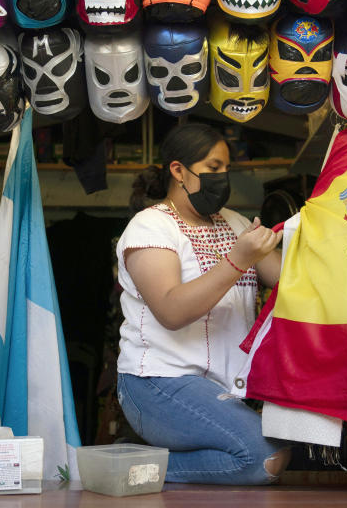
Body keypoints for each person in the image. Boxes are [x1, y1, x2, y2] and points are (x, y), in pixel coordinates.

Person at [115, 122, 290, 485]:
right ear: (178, 171)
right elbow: (171, 310)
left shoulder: (234, 222)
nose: (222, 177)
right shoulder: (150, 228)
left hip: (220, 389)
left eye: (227, 168)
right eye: (213, 168)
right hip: (157, 383)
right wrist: (238, 260)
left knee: (276, 451)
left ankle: (150, 463)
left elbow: (290, 282)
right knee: (265, 458)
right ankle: (133, 470)